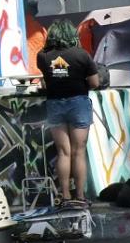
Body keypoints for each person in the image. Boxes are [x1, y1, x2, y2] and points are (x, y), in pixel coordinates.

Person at [37, 20, 100, 207]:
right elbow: (95, 83)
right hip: (78, 103)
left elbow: (46, 81)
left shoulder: (43, 56)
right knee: (78, 152)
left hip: (55, 104)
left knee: (63, 152)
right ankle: (80, 196)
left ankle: (64, 196)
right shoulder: (82, 55)